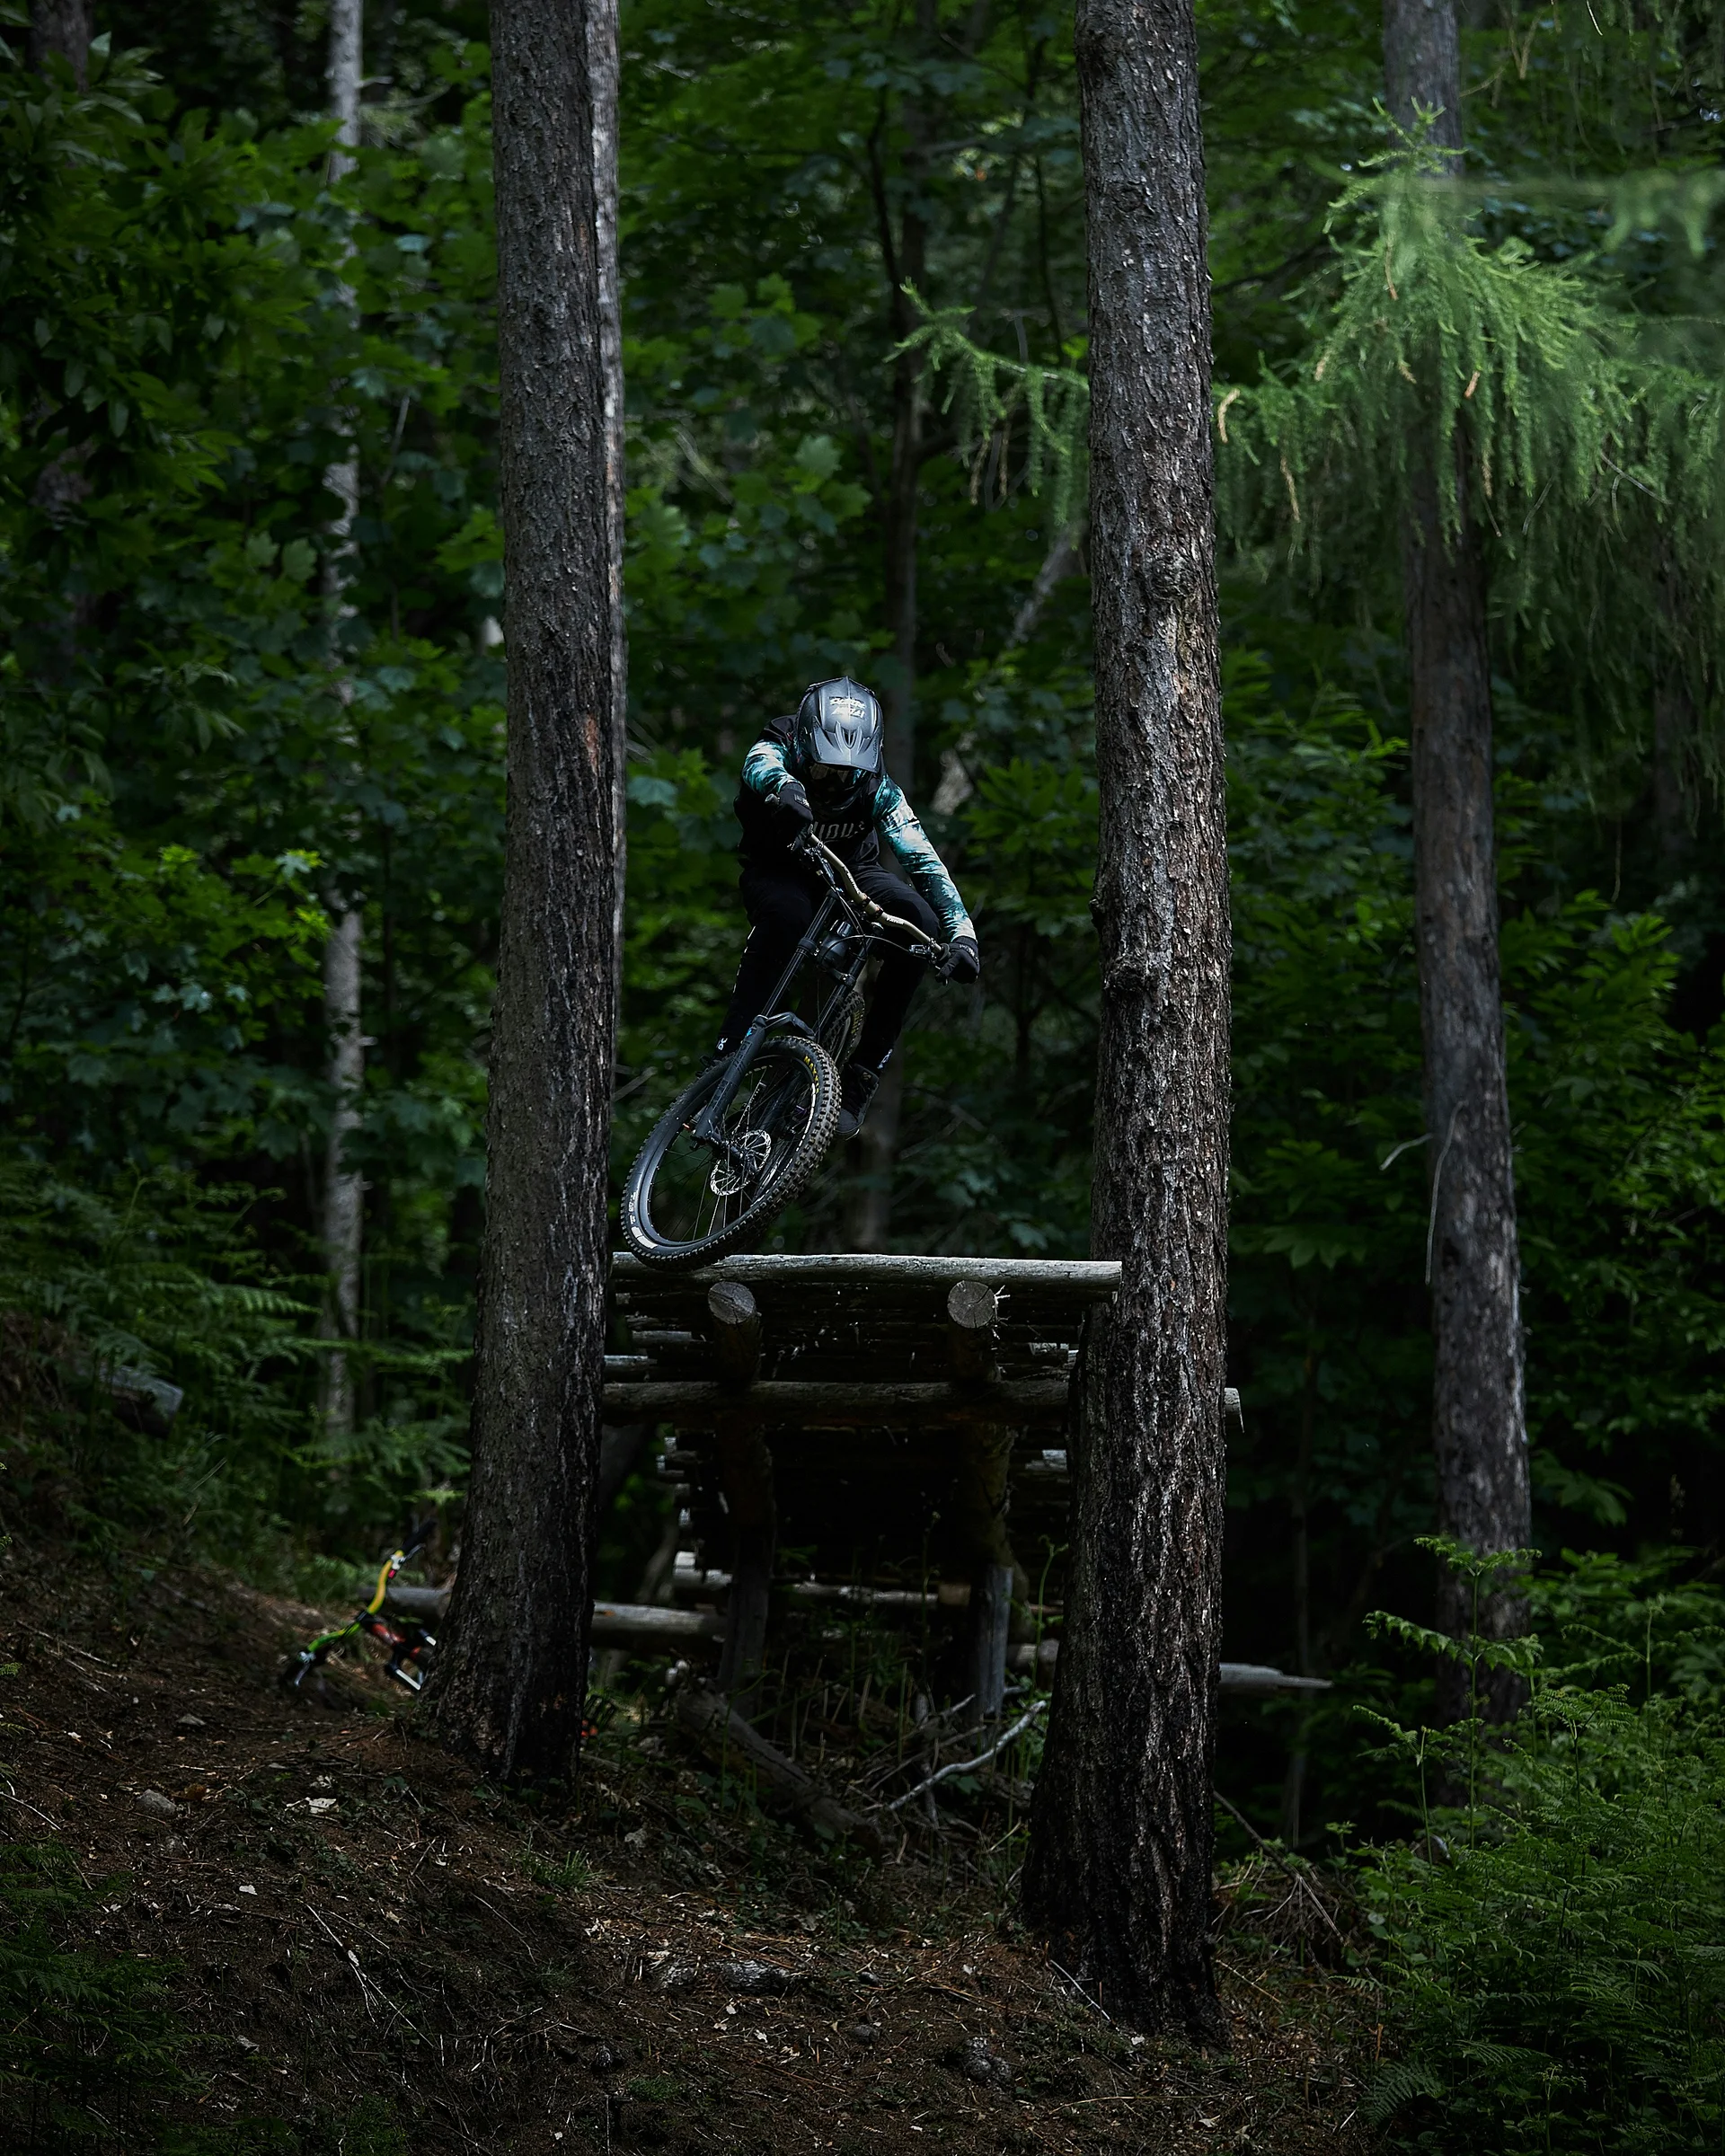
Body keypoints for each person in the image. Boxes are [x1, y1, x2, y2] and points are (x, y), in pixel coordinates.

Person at [715, 676, 980, 1138]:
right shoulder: (779, 744)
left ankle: (862, 1074)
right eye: (823, 770)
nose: (834, 782)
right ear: (804, 744)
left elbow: (922, 859)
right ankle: (731, 1045)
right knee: (786, 917)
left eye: (846, 772)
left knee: (918, 921)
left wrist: (962, 935)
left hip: (851, 873)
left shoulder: (878, 787)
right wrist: (786, 789)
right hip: (780, 869)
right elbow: (760, 763)